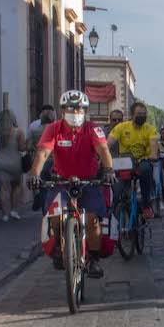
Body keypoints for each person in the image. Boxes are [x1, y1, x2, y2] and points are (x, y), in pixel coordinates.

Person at [27, 90, 116, 279]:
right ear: (62, 111)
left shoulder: (93, 129)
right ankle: (60, 248)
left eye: (79, 109)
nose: (75, 113)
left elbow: (103, 149)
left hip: (89, 181)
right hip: (61, 181)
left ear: (85, 111)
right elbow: (43, 153)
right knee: (54, 216)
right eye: (70, 109)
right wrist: (34, 174)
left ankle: (93, 260)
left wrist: (108, 170)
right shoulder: (53, 129)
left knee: (92, 219)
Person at [107, 102, 158, 219]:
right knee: (117, 189)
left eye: (144, 114)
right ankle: (115, 213)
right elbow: (108, 143)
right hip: (125, 162)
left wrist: (154, 155)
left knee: (145, 170)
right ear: (132, 115)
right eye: (139, 113)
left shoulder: (150, 129)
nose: (142, 116)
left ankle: (146, 205)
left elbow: (153, 143)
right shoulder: (122, 127)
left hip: (142, 160)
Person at [0, 109, 27, 222]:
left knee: (3, 189)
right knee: (16, 186)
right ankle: (13, 210)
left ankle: (5, 215)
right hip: (14, 163)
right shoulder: (18, 132)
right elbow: (21, 148)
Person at [28, 106, 57, 211]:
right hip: (55, 163)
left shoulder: (34, 130)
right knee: (56, 189)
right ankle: (54, 210)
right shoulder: (57, 130)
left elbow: (28, 146)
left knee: (43, 189)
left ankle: (45, 212)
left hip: (40, 162)